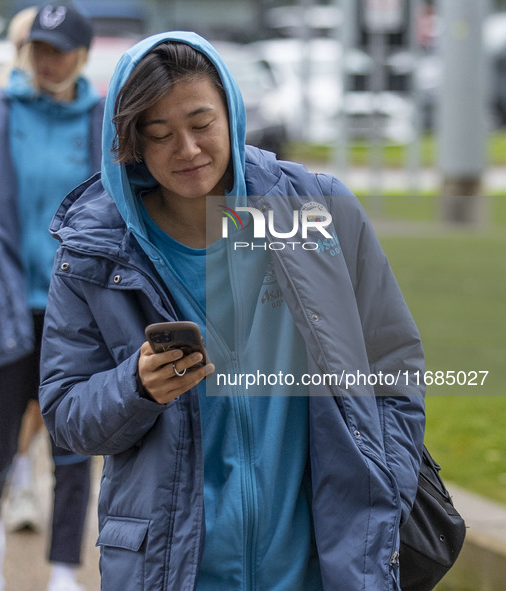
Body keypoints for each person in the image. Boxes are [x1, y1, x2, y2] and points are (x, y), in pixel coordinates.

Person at [39, 32, 426, 590]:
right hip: (173, 569)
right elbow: (66, 411)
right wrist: (135, 388)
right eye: (160, 134)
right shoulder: (94, 251)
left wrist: (382, 490)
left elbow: (393, 360)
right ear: (131, 142)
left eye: (202, 124)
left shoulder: (314, 208)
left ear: (233, 113)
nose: (188, 150)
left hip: (327, 566)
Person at [0, 2, 104, 590]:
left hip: (79, 314)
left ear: (83, 54)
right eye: (38, 49)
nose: (47, 61)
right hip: (2, 306)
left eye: (59, 50)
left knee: (77, 450)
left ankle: (61, 571)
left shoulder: (106, 123)